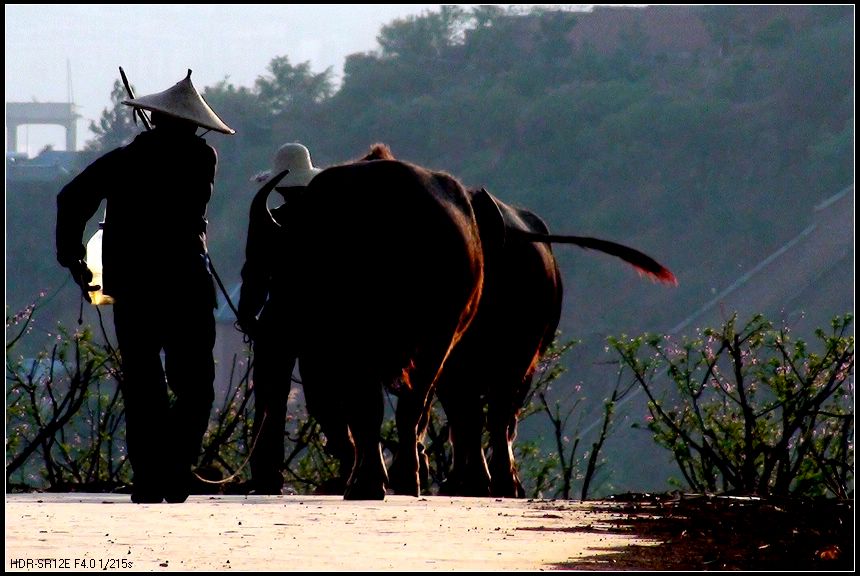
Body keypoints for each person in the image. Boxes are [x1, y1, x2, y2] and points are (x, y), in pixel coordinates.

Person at [55, 70, 235, 503]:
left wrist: (74, 257)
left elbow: (71, 198)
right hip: (186, 283)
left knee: (143, 381)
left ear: (154, 118)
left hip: (135, 286)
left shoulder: (125, 159)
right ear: (193, 124)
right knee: (195, 383)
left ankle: (151, 476)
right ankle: (175, 467)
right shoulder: (203, 157)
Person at [237, 142, 350, 495]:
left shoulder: (270, 220)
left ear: (280, 187)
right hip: (324, 319)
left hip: (280, 316)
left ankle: (266, 475)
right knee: (326, 396)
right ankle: (354, 462)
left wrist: (247, 314)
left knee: (269, 399)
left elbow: (254, 275)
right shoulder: (334, 224)